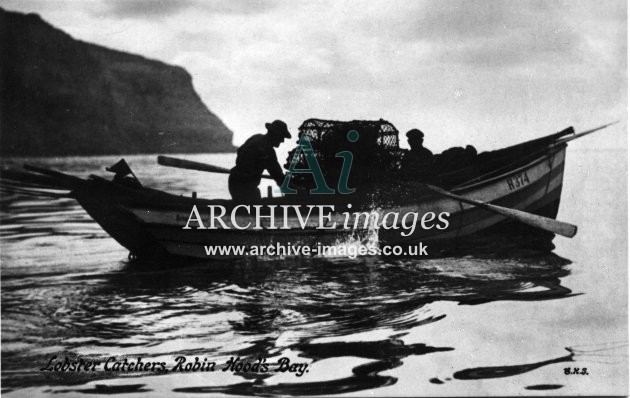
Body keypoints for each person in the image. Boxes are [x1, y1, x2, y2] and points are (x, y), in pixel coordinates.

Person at [229, 120, 291, 202]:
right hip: (244, 186)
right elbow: (278, 176)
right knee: (254, 207)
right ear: (275, 135)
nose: (282, 141)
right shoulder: (267, 150)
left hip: (234, 181)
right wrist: (294, 193)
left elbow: (240, 151)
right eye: (281, 137)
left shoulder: (256, 137)